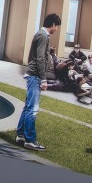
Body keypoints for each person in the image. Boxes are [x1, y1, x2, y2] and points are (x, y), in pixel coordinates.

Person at [17, 13, 60, 151]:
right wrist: (44, 79)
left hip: (32, 74)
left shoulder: (41, 35)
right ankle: (30, 140)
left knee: (28, 106)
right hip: (35, 76)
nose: (57, 29)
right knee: (33, 109)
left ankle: (21, 135)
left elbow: (39, 56)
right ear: (53, 24)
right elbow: (40, 59)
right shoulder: (42, 36)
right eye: (57, 26)